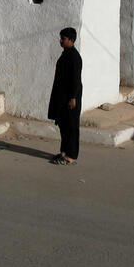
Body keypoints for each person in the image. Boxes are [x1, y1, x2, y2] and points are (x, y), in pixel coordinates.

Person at [48, 27, 82, 165]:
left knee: (71, 126)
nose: (61, 41)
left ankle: (71, 155)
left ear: (71, 40)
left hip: (70, 97)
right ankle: (64, 151)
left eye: (63, 39)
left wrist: (73, 97)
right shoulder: (66, 54)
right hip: (62, 96)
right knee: (63, 123)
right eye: (61, 38)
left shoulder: (74, 57)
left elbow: (75, 79)